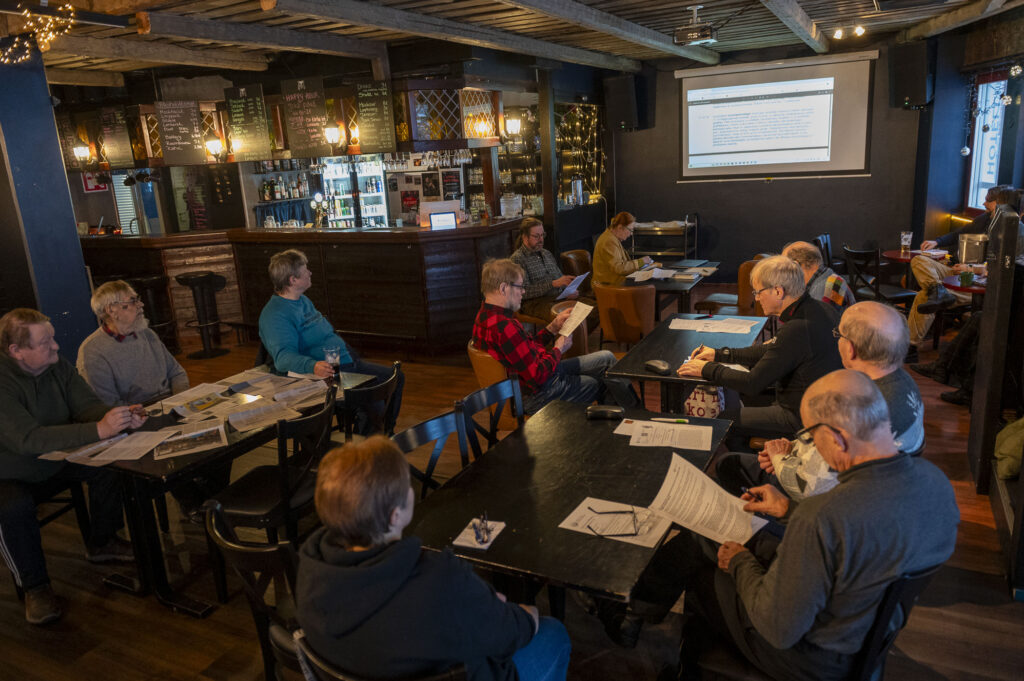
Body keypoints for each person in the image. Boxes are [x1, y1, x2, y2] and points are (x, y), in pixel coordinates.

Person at [616, 371, 958, 680]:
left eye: (810, 435)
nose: (809, 445)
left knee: (706, 573)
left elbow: (778, 628)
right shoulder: (937, 485)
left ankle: (678, 660)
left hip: (809, 657)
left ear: (837, 438)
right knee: (707, 538)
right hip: (864, 631)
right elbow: (859, 540)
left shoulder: (823, 517)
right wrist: (789, 509)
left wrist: (740, 562)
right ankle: (638, 612)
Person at [296, 436, 571, 681]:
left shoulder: (310, 570)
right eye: (407, 486)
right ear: (395, 516)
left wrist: (479, 604)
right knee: (553, 633)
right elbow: (512, 633)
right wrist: (526, 613)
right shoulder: (440, 578)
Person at [0, 308, 145, 625]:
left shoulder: (56, 366)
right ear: (16, 351)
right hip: (10, 472)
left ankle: (102, 541)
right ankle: (35, 587)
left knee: (111, 463)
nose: (56, 346)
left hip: (54, 458)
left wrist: (118, 417)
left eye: (52, 338)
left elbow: (86, 406)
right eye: (45, 342)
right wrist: (100, 429)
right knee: (13, 508)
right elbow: (27, 439)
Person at [717, 301, 925, 497]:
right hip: (878, 487)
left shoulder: (858, 409)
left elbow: (805, 486)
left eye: (839, 335)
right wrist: (793, 446)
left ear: (851, 349)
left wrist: (778, 458)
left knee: (727, 464)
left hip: (834, 499)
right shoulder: (902, 381)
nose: (837, 340)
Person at [76, 280, 226, 521]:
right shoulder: (93, 350)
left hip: (168, 405)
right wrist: (143, 414)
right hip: (135, 419)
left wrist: (181, 401)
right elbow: (105, 406)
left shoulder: (146, 333)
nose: (141, 305)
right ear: (112, 310)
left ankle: (212, 496)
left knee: (223, 430)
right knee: (173, 443)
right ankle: (194, 502)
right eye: (133, 301)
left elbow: (177, 373)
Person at [677, 255, 842, 439]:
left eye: (758, 292)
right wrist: (719, 354)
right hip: (823, 407)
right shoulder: (820, 309)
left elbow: (752, 383)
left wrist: (706, 369)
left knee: (724, 419)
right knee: (736, 392)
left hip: (801, 418)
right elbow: (771, 351)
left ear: (778, 291)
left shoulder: (798, 328)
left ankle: (749, 456)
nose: (756, 299)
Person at [258, 249, 404, 433]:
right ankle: (367, 443)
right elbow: (283, 358)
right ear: (293, 280)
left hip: (345, 362)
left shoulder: (302, 300)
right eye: (305, 270)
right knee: (374, 400)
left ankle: (386, 434)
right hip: (327, 374)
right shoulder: (275, 315)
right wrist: (313, 366)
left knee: (396, 377)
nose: (310, 272)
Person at [472, 259, 637, 414]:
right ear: (503, 288)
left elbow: (524, 351)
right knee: (599, 382)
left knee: (607, 358)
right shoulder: (505, 327)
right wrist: (559, 348)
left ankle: (628, 417)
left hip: (533, 381)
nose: (523, 291)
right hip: (535, 395)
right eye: (520, 286)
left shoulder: (484, 317)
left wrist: (552, 328)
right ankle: (633, 416)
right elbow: (537, 375)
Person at [908, 185, 1018, 357]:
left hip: (976, 284)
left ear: (1000, 204)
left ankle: (911, 347)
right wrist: (937, 241)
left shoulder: (1013, 232)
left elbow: (999, 269)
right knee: (919, 259)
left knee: (924, 295)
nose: (984, 204)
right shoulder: (985, 219)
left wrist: (970, 268)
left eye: (988, 201)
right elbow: (960, 233)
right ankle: (938, 290)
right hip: (959, 273)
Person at [509, 218, 595, 322]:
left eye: (542, 235)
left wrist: (568, 290)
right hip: (535, 303)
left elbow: (559, 279)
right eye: (536, 236)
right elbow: (523, 292)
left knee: (594, 308)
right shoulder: (518, 259)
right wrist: (553, 284)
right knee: (571, 318)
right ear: (524, 237)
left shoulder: (546, 253)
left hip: (557, 297)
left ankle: (578, 331)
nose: (541, 239)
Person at [781, 241, 855, 309]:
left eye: (784, 267)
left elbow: (815, 319)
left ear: (796, 266)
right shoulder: (827, 276)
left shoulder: (824, 291)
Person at [592, 211, 653, 286]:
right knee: (647, 287)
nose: (631, 234)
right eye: (630, 230)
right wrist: (640, 262)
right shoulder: (609, 241)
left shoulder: (612, 238)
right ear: (620, 227)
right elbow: (619, 268)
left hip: (612, 283)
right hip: (607, 287)